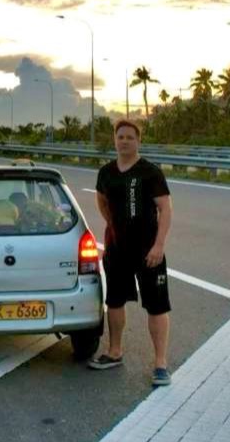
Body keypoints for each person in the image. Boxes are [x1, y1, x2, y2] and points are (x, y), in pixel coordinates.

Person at [88, 119, 174, 387]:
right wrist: (112, 223)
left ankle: (160, 364)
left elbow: (166, 209)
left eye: (130, 137)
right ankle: (114, 352)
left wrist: (159, 246)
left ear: (138, 141)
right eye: (120, 136)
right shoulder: (106, 172)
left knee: (156, 305)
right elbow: (101, 200)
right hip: (116, 249)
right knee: (114, 301)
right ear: (115, 140)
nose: (124, 141)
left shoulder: (150, 172)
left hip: (148, 251)